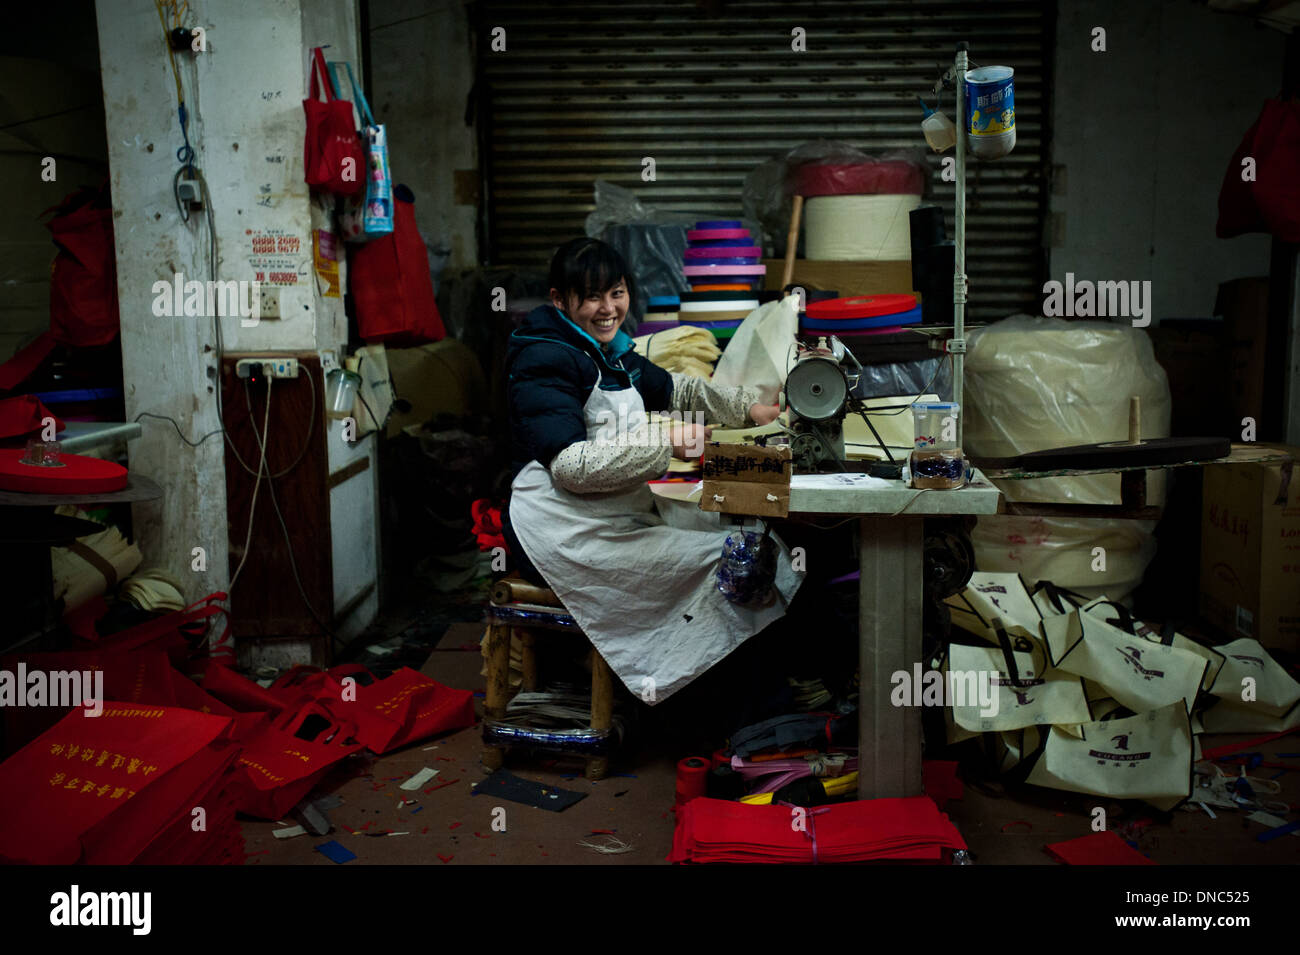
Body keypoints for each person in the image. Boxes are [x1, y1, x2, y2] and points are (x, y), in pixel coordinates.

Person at [503, 238, 805, 704]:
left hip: (614, 507)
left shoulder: (609, 351)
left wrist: (753, 409)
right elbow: (570, 467)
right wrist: (664, 440)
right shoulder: (544, 357)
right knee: (727, 561)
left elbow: (676, 389)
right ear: (559, 300)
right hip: (563, 524)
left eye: (617, 293)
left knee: (749, 537)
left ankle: (738, 696)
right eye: (591, 297)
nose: (608, 309)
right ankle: (726, 707)